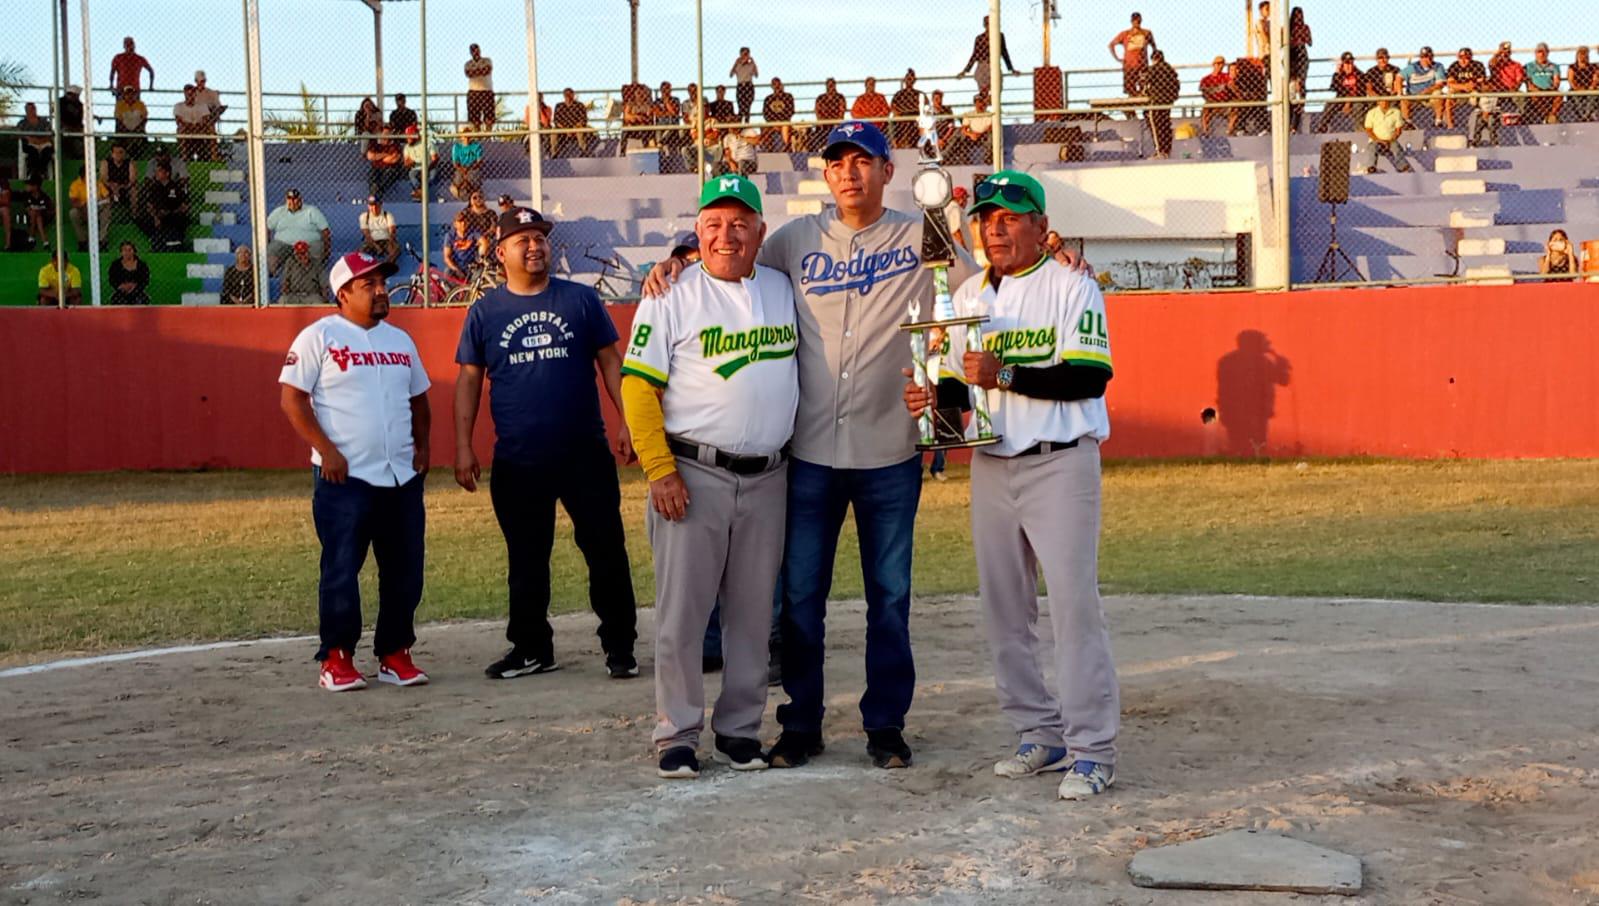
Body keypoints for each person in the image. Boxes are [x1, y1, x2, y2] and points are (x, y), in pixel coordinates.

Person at [643, 122, 981, 772]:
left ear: (887, 171)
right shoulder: (794, 240)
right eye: (837, 162)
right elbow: (730, 257)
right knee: (799, 600)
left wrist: (1053, 255)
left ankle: (885, 725)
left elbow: (970, 297)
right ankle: (800, 724)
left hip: (889, 451)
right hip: (808, 458)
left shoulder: (921, 234)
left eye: (863, 161)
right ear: (824, 175)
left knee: (890, 599)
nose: (849, 172)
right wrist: (678, 260)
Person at [901, 170, 1121, 801]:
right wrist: (932, 403)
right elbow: (956, 387)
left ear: (1040, 225)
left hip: (1060, 460)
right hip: (993, 464)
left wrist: (1006, 375)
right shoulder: (966, 292)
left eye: (1010, 217)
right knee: (1004, 610)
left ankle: (1092, 749)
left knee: (1073, 608)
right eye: (986, 219)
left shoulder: (1072, 285)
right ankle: (1038, 731)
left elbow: (1088, 377)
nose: (995, 230)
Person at [621, 174, 797, 779]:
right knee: (684, 615)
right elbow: (637, 388)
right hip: (694, 473)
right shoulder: (671, 292)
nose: (727, 235)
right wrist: (659, 469)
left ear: (761, 233)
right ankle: (677, 732)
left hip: (769, 476)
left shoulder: (781, 287)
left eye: (740, 223)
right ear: (696, 232)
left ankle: (739, 730)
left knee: (752, 615)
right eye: (714, 223)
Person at [453, 206, 640, 681]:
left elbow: (611, 362)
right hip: (519, 459)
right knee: (527, 559)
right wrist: (463, 445)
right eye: (523, 240)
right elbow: (469, 380)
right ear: (501, 253)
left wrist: (628, 420)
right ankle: (532, 648)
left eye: (540, 238)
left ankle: (620, 647)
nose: (535, 246)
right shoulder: (485, 311)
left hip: (584, 453)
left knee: (606, 550)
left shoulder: (581, 300)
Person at [278, 250, 431, 693]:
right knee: (342, 570)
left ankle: (395, 653)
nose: (382, 291)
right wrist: (326, 450)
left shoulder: (400, 341)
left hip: (400, 477)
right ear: (343, 293)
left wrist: (423, 447)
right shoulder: (319, 336)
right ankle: (337, 657)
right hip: (344, 480)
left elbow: (419, 399)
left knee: (405, 570)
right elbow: (292, 399)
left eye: (383, 283)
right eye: (370, 285)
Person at [266, 188, 330, 273]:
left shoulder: (311, 211)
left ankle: (313, 273)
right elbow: (267, 228)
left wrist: (327, 249)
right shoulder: (279, 212)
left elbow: (325, 230)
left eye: (295, 199)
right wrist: (267, 243)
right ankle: (271, 274)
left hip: (309, 244)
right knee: (271, 251)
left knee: (317, 248)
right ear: (286, 200)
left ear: (300, 199)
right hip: (284, 243)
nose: (292, 202)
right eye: (289, 199)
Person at [1108, 12, 1156, 120]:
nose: (1136, 22)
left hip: (1142, 66)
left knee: (1144, 90)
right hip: (1129, 66)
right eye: (1134, 20)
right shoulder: (1125, 34)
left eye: (1138, 20)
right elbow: (1111, 45)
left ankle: (1146, 113)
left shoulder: (1146, 33)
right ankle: (1131, 113)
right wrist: (1117, 58)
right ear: (1131, 21)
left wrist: (1154, 60)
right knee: (1131, 90)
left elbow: (1154, 46)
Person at [959, 15, 1020, 96]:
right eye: (987, 24)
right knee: (986, 90)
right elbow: (975, 55)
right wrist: (965, 71)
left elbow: (1004, 53)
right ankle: (983, 99)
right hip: (983, 65)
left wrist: (1011, 69)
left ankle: (989, 100)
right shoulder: (980, 38)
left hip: (993, 65)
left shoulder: (999, 36)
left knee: (997, 89)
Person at [139, 161, 189, 250]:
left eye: (159, 171)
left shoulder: (176, 187)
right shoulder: (153, 187)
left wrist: (171, 212)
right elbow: (149, 205)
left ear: (167, 173)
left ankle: (176, 240)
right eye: (156, 171)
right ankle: (156, 240)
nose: (156, 173)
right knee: (142, 219)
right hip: (157, 215)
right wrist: (155, 217)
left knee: (180, 218)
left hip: (172, 214)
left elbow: (184, 206)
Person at [1359, 94, 1414, 174]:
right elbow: (1369, 130)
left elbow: (1398, 130)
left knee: (1396, 148)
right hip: (1376, 140)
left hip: (1391, 140)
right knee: (1372, 148)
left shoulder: (1396, 112)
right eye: (1382, 101)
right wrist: (1379, 140)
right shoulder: (1371, 113)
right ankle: (1371, 167)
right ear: (1378, 102)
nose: (1384, 103)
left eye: (1386, 101)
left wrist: (1391, 139)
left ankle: (1403, 168)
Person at [1446, 48, 1490, 142]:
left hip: (1474, 91)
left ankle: (1483, 124)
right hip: (1460, 91)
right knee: (1449, 97)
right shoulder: (1454, 66)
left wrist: (1473, 85)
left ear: (1470, 57)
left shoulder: (1477, 65)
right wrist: (1464, 86)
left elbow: (1481, 81)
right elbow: (1450, 83)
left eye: (1466, 58)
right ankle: (1450, 126)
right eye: (1461, 57)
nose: (1463, 60)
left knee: (1483, 99)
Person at [1144, 51, 1180, 159]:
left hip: (1157, 100)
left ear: (1153, 59)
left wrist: (1146, 92)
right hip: (1168, 100)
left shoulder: (1154, 69)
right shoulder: (1170, 69)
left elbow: (1146, 82)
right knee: (1165, 124)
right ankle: (1166, 150)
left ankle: (1159, 151)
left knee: (1155, 123)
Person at [1318, 52, 1366, 133]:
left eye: (1350, 63)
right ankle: (1322, 127)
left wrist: (1349, 101)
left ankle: (1359, 130)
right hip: (1342, 99)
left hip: (1356, 99)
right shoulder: (1339, 75)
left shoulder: (1359, 74)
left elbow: (1361, 92)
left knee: (1358, 107)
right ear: (1343, 64)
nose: (1348, 66)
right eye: (1346, 63)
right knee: (1329, 104)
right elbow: (1334, 88)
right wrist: (1337, 73)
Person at [1402, 46, 1448, 127]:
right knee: (1403, 99)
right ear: (1420, 58)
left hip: (1430, 95)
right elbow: (1398, 78)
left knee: (1438, 93)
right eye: (1424, 57)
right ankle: (1407, 122)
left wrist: (1426, 91)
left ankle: (1438, 121)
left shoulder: (1437, 66)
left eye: (1429, 56)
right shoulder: (1413, 67)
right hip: (1413, 95)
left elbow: (1440, 84)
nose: (1427, 59)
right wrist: (1399, 92)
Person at [173, 84, 217, 162]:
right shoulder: (178, 106)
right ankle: (184, 155)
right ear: (185, 94)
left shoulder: (202, 105)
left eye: (192, 93)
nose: (190, 96)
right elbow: (178, 121)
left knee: (211, 128)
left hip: (200, 128)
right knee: (181, 129)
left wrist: (198, 126)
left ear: (195, 94)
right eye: (188, 94)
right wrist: (191, 126)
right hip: (187, 129)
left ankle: (214, 156)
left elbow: (206, 119)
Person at [68, 170, 110, 252]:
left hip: (97, 208)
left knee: (106, 211)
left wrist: (98, 203)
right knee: (73, 213)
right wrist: (83, 205)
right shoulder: (75, 185)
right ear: (83, 176)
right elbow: (73, 201)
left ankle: (102, 241)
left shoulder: (98, 183)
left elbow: (106, 197)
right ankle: (83, 241)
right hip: (82, 208)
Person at [279, 240, 330, 304]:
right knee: (283, 299)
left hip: (312, 295)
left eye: (304, 253)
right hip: (294, 295)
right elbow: (285, 281)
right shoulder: (290, 263)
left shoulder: (316, 263)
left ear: (308, 252)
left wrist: (325, 298)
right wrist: (286, 292)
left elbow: (324, 284)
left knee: (318, 301)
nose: (302, 256)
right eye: (299, 254)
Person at [1524, 43, 1563, 124]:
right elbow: (1529, 83)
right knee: (1534, 96)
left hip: (1549, 90)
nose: (1541, 54)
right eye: (1539, 52)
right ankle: (1546, 115)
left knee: (1559, 95)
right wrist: (1537, 90)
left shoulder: (1554, 66)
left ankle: (1551, 115)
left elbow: (1556, 81)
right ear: (1535, 53)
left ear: (1547, 53)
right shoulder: (1529, 66)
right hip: (1536, 90)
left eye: (1544, 52)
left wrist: (1552, 88)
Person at [401, 124, 440, 200]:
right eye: (407, 136)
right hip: (416, 168)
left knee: (433, 175)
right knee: (412, 174)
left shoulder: (427, 143)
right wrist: (410, 163)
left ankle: (419, 193)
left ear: (416, 135)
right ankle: (420, 191)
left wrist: (426, 169)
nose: (408, 138)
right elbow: (406, 162)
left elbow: (435, 159)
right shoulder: (407, 147)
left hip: (429, 167)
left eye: (410, 136)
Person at [1199, 56, 1235, 136]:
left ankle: (1230, 131)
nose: (1220, 66)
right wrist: (1213, 101)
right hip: (1212, 102)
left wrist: (1231, 86)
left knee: (1234, 109)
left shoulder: (1226, 76)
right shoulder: (1206, 79)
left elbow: (1232, 86)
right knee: (1206, 110)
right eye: (1218, 63)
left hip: (1225, 102)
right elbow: (1204, 94)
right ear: (1213, 64)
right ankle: (1205, 131)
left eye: (1222, 64)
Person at [16, 102, 53, 180]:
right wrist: (31, 139)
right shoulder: (22, 123)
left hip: (44, 143)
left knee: (47, 152)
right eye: (30, 109)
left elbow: (49, 134)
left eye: (33, 108)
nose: (32, 111)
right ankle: (34, 173)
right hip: (30, 144)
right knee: (33, 152)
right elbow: (20, 134)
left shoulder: (44, 122)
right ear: (26, 111)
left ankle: (41, 172)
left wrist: (40, 140)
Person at [365, 128, 405, 200]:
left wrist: (377, 156)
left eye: (387, 134)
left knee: (389, 174)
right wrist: (385, 155)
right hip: (376, 168)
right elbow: (370, 156)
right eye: (384, 134)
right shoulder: (376, 145)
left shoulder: (395, 146)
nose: (385, 136)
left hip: (390, 168)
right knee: (371, 175)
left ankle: (375, 194)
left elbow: (393, 159)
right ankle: (376, 194)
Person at [108, 241, 151, 305]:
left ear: (134, 251)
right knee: (118, 301)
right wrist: (121, 286)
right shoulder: (115, 265)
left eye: (130, 250)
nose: (127, 252)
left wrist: (135, 286)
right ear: (121, 252)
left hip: (137, 291)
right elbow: (112, 278)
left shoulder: (141, 265)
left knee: (140, 300)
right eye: (125, 250)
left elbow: (145, 279)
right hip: (121, 291)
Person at [464, 44, 496, 131]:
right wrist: (480, 71)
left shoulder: (487, 61)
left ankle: (488, 134)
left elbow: (487, 70)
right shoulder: (468, 64)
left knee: (489, 116)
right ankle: (477, 133)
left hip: (486, 90)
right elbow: (468, 73)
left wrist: (475, 71)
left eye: (477, 50)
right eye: (473, 51)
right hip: (474, 91)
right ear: (471, 52)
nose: (476, 52)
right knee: (474, 117)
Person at [359, 195, 400, 263]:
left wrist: (391, 242)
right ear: (368, 206)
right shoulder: (364, 217)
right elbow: (367, 235)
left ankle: (387, 264)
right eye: (371, 206)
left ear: (381, 205)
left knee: (396, 250)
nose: (374, 208)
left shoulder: (388, 215)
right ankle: (368, 266)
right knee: (361, 253)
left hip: (386, 241)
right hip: (371, 242)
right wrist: (376, 247)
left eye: (376, 205)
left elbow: (392, 232)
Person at [552, 89, 591, 157]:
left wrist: (574, 129)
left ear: (573, 95)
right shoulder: (559, 106)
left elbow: (583, 119)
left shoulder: (579, 105)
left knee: (580, 131)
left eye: (569, 94)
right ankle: (554, 153)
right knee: (553, 132)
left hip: (576, 128)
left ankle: (584, 151)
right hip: (563, 129)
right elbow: (556, 121)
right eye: (566, 94)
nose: (567, 96)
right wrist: (565, 130)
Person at [889, 70, 922, 149]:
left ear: (914, 80)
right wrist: (899, 115)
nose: (909, 81)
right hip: (901, 118)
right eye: (908, 78)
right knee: (892, 123)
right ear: (905, 80)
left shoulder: (919, 94)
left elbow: (924, 107)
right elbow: (893, 107)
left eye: (911, 79)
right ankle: (897, 145)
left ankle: (915, 147)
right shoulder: (898, 94)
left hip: (915, 118)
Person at [761, 77, 795, 150]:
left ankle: (786, 147)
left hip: (784, 121)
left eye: (778, 84)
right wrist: (774, 123)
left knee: (785, 126)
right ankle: (767, 148)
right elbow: (765, 113)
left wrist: (780, 121)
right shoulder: (768, 98)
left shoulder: (788, 96)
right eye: (774, 84)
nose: (776, 86)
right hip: (772, 122)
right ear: (772, 86)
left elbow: (790, 111)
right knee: (764, 127)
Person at [113, 85, 149, 154]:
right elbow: (118, 120)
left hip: (138, 130)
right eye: (127, 94)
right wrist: (127, 131)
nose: (130, 96)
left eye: (132, 94)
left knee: (143, 141)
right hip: (124, 130)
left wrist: (137, 130)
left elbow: (144, 119)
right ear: (124, 95)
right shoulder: (119, 105)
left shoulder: (141, 104)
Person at [449, 130, 485, 200]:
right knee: (458, 179)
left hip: (472, 167)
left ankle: (474, 193)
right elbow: (455, 163)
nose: (467, 138)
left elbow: (479, 161)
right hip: (461, 167)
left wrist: (469, 168)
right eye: (465, 136)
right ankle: (460, 193)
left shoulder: (476, 146)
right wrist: (462, 169)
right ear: (461, 137)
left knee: (473, 177)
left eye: (469, 136)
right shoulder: (457, 147)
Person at [20, 177, 53, 250]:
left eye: (29, 185)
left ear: (35, 186)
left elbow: (49, 209)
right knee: (36, 216)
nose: (26, 186)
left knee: (38, 215)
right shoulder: (26, 196)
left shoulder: (44, 196)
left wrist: (38, 211)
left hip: (45, 219)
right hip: (30, 219)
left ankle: (31, 237)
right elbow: (27, 209)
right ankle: (45, 241)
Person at [1567, 47, 1597, 122]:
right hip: (1576, 89)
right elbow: (1571, 80)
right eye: (1581, 54)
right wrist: (1577, 88)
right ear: (1577, 55)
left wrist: (1591, 87)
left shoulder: (1593, 67)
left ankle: (1586, 115)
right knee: (1575, 96)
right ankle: (1582, 116)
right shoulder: (1572, 67)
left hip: (1589, 88)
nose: (1583, 56)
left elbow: (1595, 79)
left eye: (1585, 54)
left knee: (1593, 95)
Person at [730, 47, 759, 121]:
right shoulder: (738, 65)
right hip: (740, 86)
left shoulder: (751, 65)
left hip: (748, 86)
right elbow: (731, 75)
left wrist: (753, 62)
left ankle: (746, 122)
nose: (744, 56)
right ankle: (740, 123)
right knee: (740, 106)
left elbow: (756, 75)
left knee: (747, 107)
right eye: (743, 54)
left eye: (746, 54)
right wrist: (736, 63)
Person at [59, 85, 84, 160]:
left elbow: (80, 119)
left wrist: (78, 128)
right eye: (77, 95)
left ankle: (83, 155)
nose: (78, 97)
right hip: (64, 127)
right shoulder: (61, 102)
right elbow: (59, 118)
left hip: (76, 128)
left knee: (89, 134)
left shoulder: (79, 105)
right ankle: (72, 156)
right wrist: (70, 127)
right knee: (68, 136)